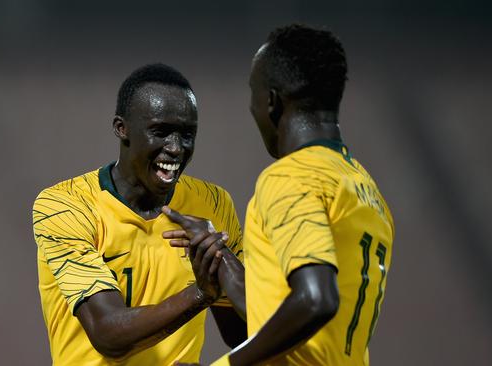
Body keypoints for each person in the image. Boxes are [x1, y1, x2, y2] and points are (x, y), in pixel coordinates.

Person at [166, 24, 394, 365]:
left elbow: (316, 299)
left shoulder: (291, 178)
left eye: (252, 93)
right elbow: (281, 313)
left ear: (271, 101)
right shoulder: (363, 188)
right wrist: (220, 256)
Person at [32, 63, 246, 366]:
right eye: (160, 132)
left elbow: (243, 332)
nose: (176, 148)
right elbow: (108, 335)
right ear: (122, 128)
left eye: (187, 134)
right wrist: (200, 293)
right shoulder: (65, 206)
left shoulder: (213, 204)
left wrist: (224, 261)